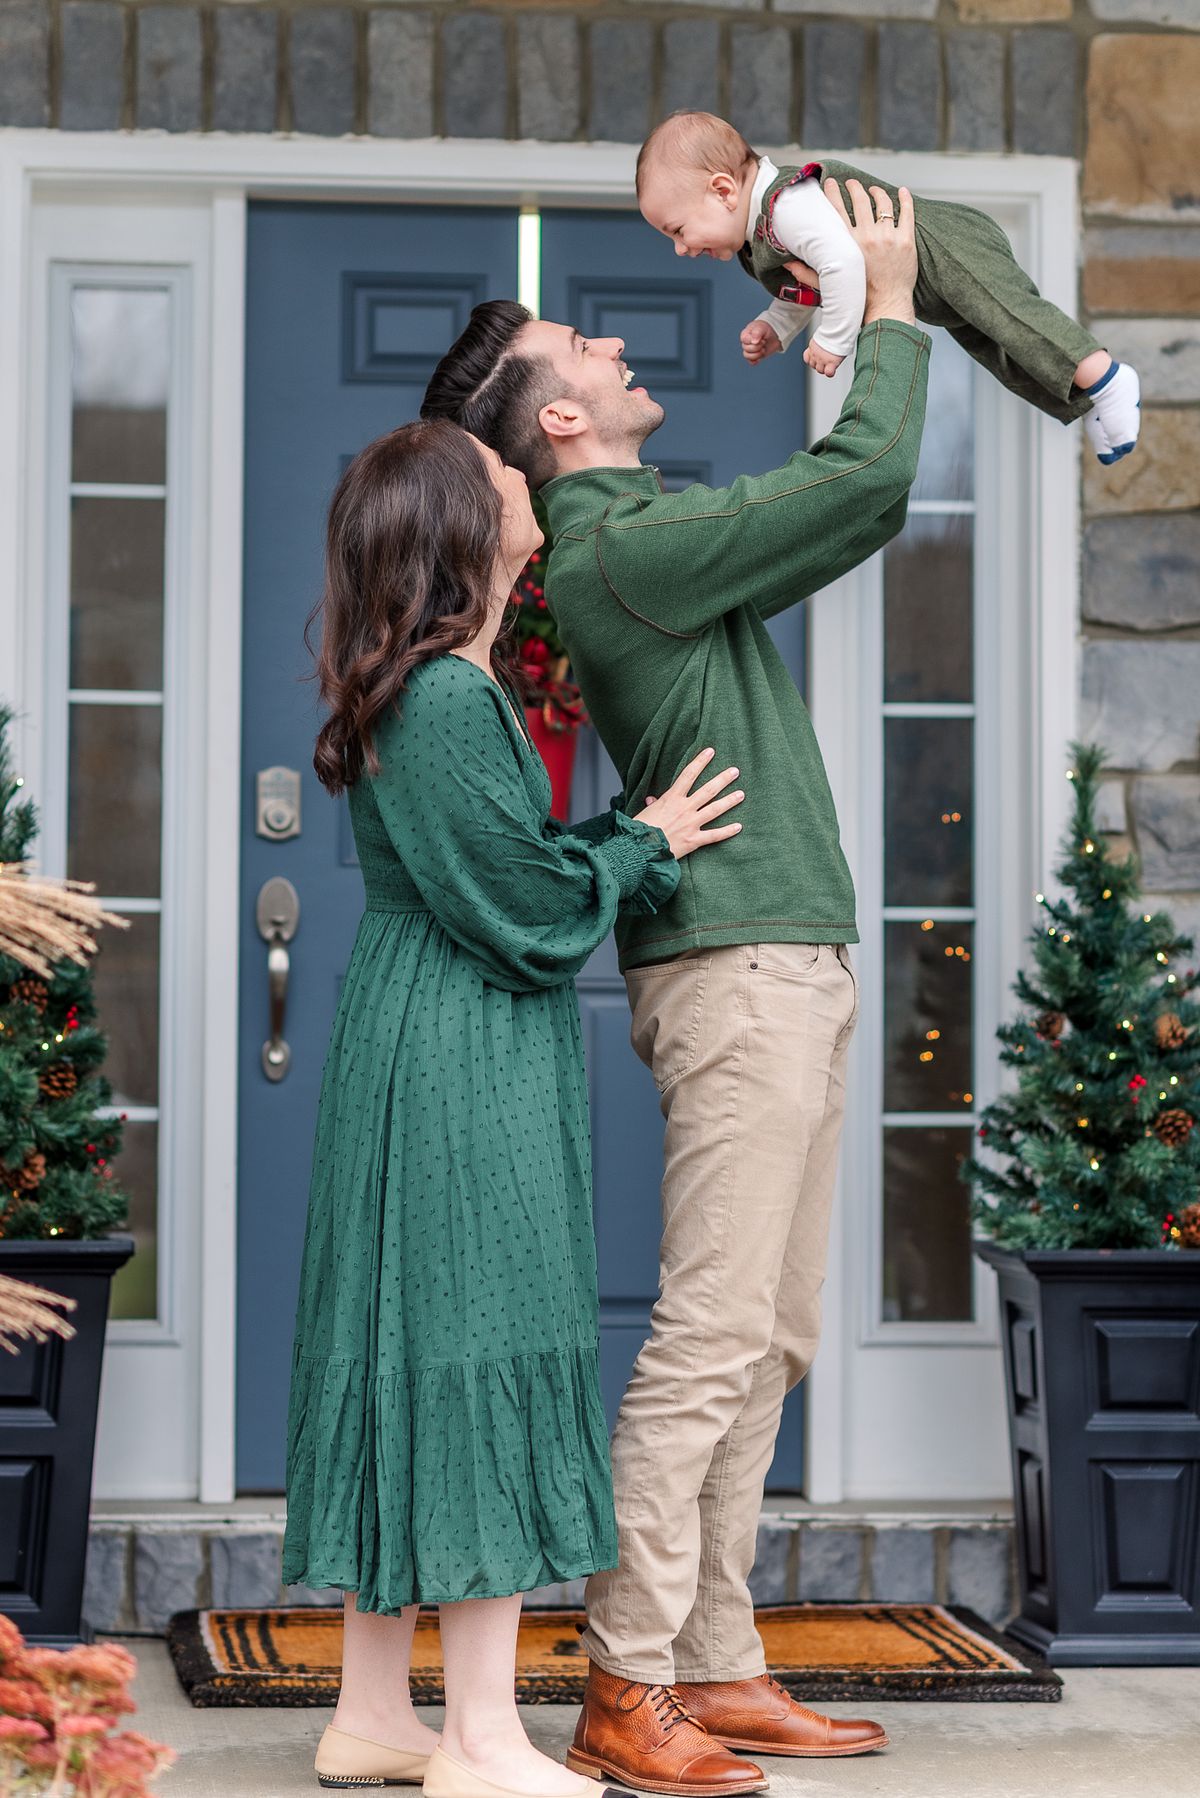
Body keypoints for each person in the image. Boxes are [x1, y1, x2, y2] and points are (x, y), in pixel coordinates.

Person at [420, 178, 923, 1796]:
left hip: (781, 954)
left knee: (768, 1332)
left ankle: (715, 1656)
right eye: (591, 339)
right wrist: (889, 303)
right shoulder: (621, 537)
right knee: (711, 1335)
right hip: (741, 969)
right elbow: (867, 481)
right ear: (563, 416)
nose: (625, 338)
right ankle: (629, 1675)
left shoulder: (647, 538)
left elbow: (817, 507)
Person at [281, 417, 745, 1794]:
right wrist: (647, 844)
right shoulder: (444, 698)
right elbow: (528, 910)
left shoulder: (426, 691)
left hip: (418, 1031)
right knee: (477, 1335)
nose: (519, 482)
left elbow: (514, 864)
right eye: (498, 480)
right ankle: (481, 1737)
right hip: (459, 1053)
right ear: (457, 530)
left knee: (411, 1344)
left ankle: (377, 1709)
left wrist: (621, 839)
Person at [636, 110, 1140, 466]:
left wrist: (833, 340)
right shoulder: (758, 234)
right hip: (921, 281)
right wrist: (776, 326)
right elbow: (802, 287)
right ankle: (1084, 401)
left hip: (943, 246)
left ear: (723, 190)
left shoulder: (786, 206)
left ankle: (1108, 378)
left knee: (1011, 317)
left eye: (678, 231)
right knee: (997, 347)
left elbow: (842, 266)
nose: (681, 249)